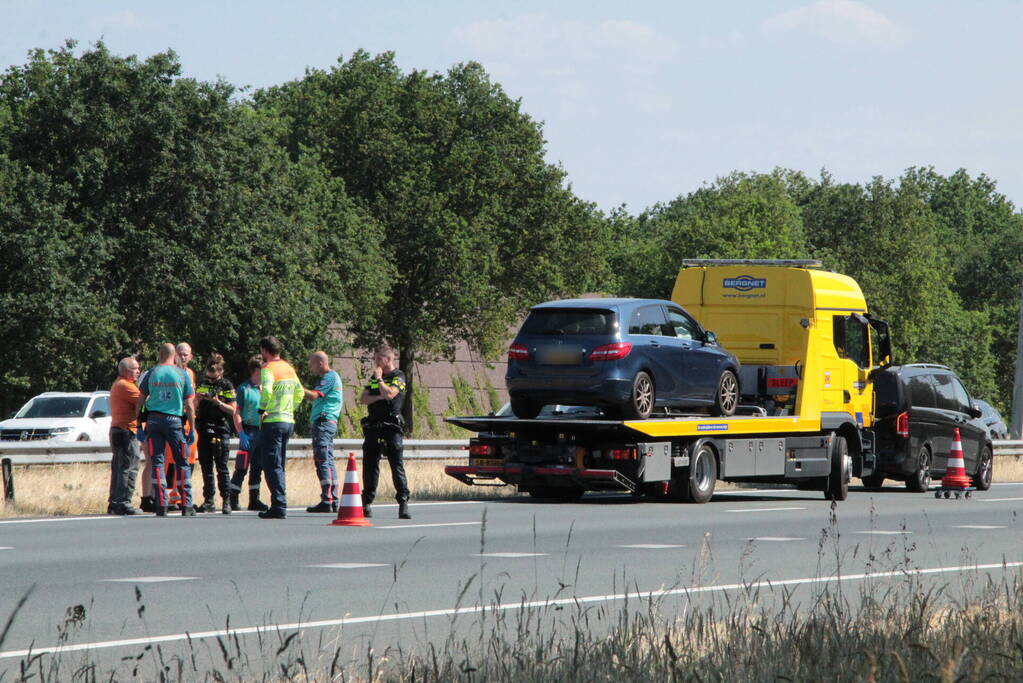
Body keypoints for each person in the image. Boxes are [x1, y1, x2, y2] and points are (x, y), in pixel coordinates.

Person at [136, 343, 197, 517]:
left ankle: (161, 504)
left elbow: (140, 401)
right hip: (174, 422)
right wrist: (192, 428)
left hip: (154, 422)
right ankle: (187, 504)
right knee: (182, 462)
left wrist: (139, 423)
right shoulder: (182, 374)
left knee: (157, 463)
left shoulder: (152, 373)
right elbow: (189, 405)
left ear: (160, 354)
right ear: (174, 355)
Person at [359, 345, 411, 520]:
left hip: (392, 428)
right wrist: (379, 394)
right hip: (374, 426)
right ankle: (366, 502)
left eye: (378, 359)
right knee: (370, 465)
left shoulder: (399, 376)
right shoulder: (375, 378)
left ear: (388, 359)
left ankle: (403, 502)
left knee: (396, 465)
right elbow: (363, 398)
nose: (376, 363)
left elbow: (390, 394)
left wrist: (381, 381)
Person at [257, 336, 304, 519]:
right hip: (287, 421)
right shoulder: (289, 368)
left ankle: (278, 504)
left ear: (264, 350)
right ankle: (280, 501)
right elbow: (299, 392)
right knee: (280, 464)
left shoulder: (268, 369)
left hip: (272, 421)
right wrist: (289, 409)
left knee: (271, 464)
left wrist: (262, 409)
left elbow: (267, 391)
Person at [195, 353, 236, 514]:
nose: (210, 381)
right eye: (208, 377)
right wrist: (197, 400)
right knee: (206, 466)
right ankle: (209, 500)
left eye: (214, 378)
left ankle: (226, 500)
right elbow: (195, 403)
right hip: (204, 427)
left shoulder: (226, 385)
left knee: (222, 466)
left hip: (220, 428)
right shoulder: (203, 383)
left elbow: (232, 410)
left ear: (220, 373)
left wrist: (218, 402)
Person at [303, 351, 342, 513]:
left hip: (323, 422)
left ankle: (328, 499)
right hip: (326, 422)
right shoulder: (331, 377)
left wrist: (295, 386)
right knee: (327, 458)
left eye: (312, 363)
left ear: (320, 363)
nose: (310, 367)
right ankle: (332, 498)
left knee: (322, 458)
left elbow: (313, 396)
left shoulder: (329, 377)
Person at [229, 355, 268, 511]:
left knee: (258, 467)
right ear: (255, 370)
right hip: (248, 431)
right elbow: (236, 412)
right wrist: (241, 433)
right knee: (242, 466)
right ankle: (233, 496)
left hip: (262, 431)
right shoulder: (244, 389)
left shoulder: (265, 388)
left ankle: (254, 499)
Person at [107, 356, 142, 515]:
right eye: (135, 369)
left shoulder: (120, 384)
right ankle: (123, 502)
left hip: (119, 430)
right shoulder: (125, 386)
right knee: (129, 466)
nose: (138, 371)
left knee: (119, 466)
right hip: (126, 430)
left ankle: (115, 502)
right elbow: (144, 401)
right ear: (126, 371)